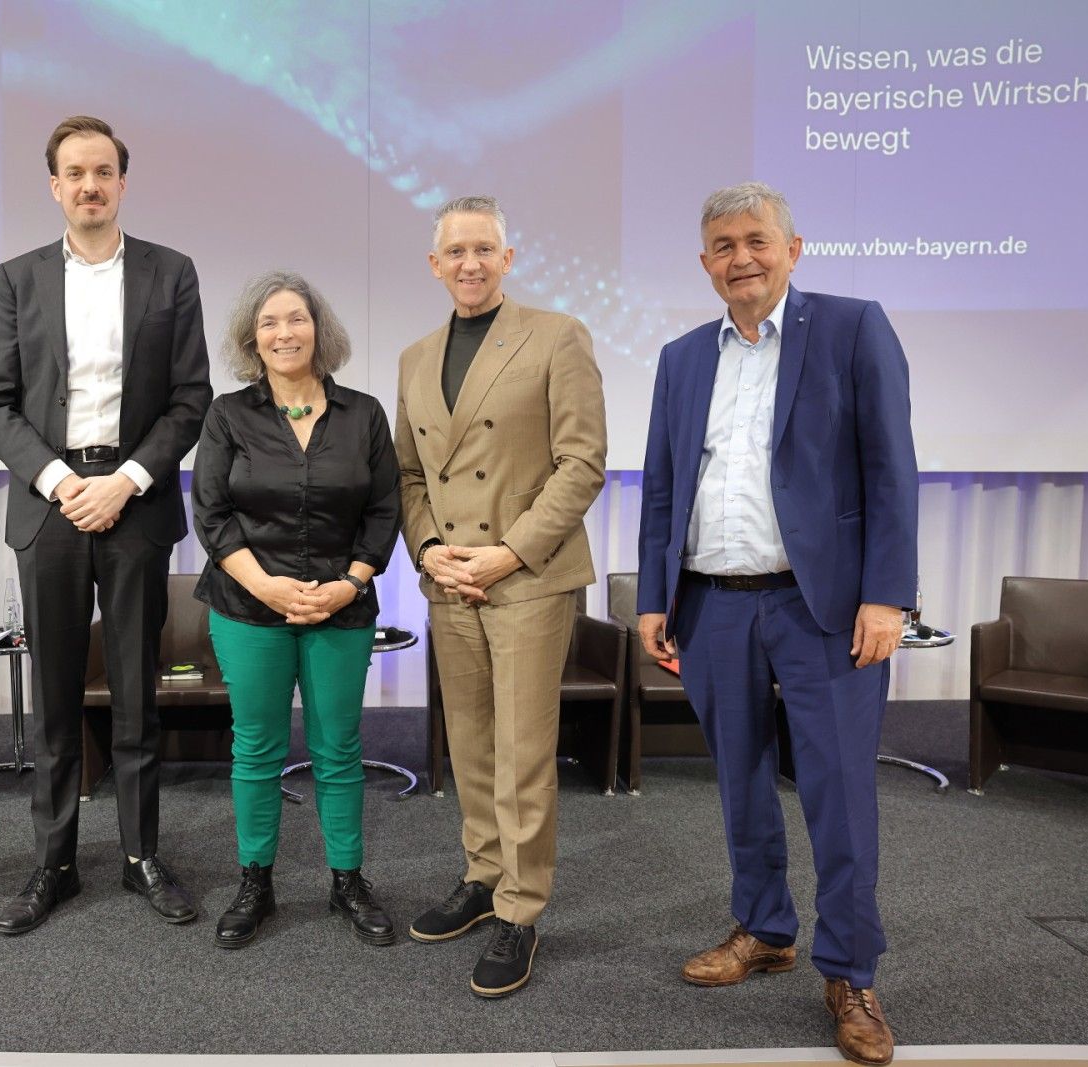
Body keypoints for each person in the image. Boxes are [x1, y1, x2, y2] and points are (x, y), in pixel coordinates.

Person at [637, 182, 917, 1066]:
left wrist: (888, 595)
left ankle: (852, 971)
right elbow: (662, 486)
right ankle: (764, 927)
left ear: (794, 250)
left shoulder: (852, 328)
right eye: (723, 245)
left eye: (757, 240)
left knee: (839, 789)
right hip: (712, 602)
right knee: (741, 781)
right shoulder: (683, 357)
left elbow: (892, 468)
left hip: (822, 607)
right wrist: (654, 597)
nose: (741, 257)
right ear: (705, 262)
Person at [0, 115, 212, 935]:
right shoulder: (18, 278)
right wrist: (60, 481)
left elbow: (190, 397)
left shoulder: (170, 271)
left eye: (103, 171)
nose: (90, 185)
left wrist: (126, 481)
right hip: (51, 506)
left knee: (138, 694)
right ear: (54, 186)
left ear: (122, 182)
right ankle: (55, 862)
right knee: (54, 697)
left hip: (135, 502)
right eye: (74, 173)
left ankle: (142, 855)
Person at [395, 195, 607, 997]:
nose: (471, 263)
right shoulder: (415, 357)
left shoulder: (556, 336)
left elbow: (582, 463)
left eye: (484, 248)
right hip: (452, 580)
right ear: (434, 264)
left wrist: (508, 552)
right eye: (456, 251)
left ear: (508, 258)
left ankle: (521, 907)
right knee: (472, 743)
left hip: (525, 577)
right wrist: (429, 551)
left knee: (522, 752)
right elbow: (409, 475)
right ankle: (483, 875)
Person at [191, 271, 402, 950]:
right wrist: (269, 587)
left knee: (339, 748)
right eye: (270, 322)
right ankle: (256, 882)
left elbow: (385, 509)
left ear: (320, 330)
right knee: (257, 747)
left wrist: (350, 583)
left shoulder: (364, 414)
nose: (285, 333)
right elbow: (212, 515)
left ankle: (348, 880)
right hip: (248, 607)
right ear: (252, 339)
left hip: (342, 605)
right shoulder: (228, 414)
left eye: (297, 319)